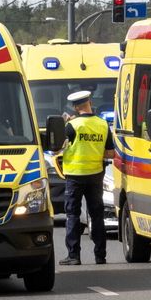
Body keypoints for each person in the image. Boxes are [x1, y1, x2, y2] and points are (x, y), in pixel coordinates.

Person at [58, 90, 112, 266]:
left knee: (72, 214)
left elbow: (56, 148)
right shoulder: (103, 124)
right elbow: (110, 153)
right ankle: (100, 255)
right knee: (96, 215)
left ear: (75, 107)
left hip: (74, 176)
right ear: (89, 102)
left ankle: (74, 256)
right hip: (96, 174)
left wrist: (66, 125)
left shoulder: (72, 125)